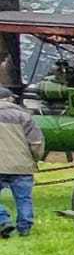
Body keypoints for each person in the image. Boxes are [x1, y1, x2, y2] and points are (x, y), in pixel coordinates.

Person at [0, 88, 44, 238]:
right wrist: (35, 158)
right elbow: (36, 142)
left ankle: (3, 220)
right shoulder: (25, 116)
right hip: (22, 165)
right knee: (24, 198)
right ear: (10, 99)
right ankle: (24, 228)